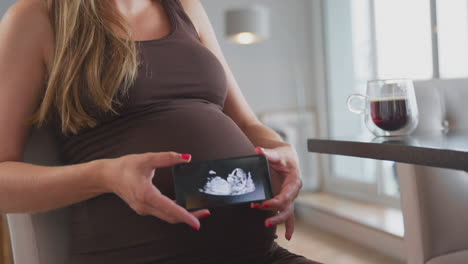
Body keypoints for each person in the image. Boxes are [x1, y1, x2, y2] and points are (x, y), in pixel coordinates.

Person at [0, 0, 320, 263]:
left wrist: (281, 150)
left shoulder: (183, 6)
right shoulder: (37, 17)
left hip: (259, 255)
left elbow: (249, 124)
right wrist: (104, 175)